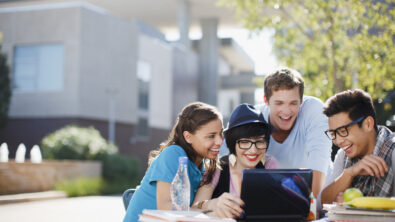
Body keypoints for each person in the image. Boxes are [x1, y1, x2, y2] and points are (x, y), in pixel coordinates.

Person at [123, 102, 224, 222]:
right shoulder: (174, 153)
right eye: (211, 136)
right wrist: (210, 213)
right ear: (188, 137)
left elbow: (191, 209)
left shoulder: (202, 168)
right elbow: (166, 208)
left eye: (221, 133)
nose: (219, 141)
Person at [192, 103, 275, 218]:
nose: (253, 150)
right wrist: (212, 206)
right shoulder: (218, 168)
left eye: (260, 141)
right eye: (244, 142)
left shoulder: (270, 165)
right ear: (232, 143)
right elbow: (194, 209)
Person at [258, 67, 332, 197]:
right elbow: (226, 161)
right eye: (279, 103)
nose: (286, 111)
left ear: (301, 101)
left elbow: (319, 161)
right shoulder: (253, 118)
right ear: (266, 101)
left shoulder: (314, 110)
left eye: (293, 103)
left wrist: (312, 209)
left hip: (322, 196)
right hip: (277, 197)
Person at [320, 89, 395, 204]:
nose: (338, 141)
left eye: (343, 130)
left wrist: (358, 204)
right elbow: (322, 203)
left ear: (368, 124)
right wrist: (349, 173)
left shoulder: (392, 151)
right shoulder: (343, 155)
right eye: (333, 133)